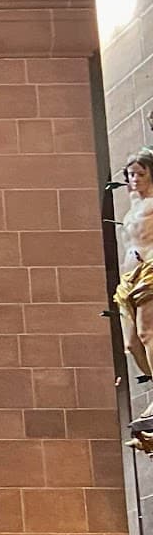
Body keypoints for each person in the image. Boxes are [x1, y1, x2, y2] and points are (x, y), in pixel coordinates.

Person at [117, 151, 153, 420]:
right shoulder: (132, 205)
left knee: (147, 333)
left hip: (149, 270)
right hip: (128, 277)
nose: (135, 179)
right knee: (130, 343)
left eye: (141, 173)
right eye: (131, 174)